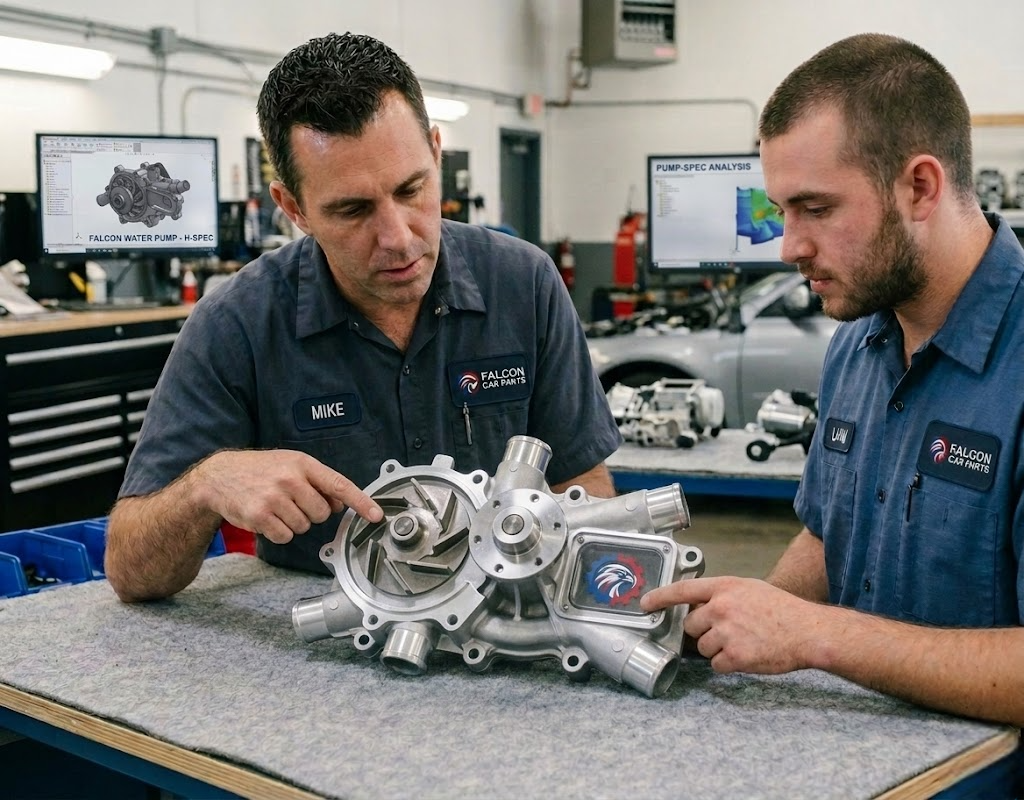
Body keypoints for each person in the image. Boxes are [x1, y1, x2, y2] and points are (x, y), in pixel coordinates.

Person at [105, 32, 622, 602]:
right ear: (293, 208)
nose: (398, 239)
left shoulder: (523, 284)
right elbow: (132, 572)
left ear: (435, 151)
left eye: (411, 189)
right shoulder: (237, 324)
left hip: (504, 626)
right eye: (352, 210)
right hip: (323, 642)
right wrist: (205, 483)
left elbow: (581, 487)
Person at [642, 32, 1024, 728]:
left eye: (816, 210)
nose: (790, 246)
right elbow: (828, 539)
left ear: (920, 187)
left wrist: (815, 636)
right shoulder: (856, 342)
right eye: (781, 211)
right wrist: (736, 621)